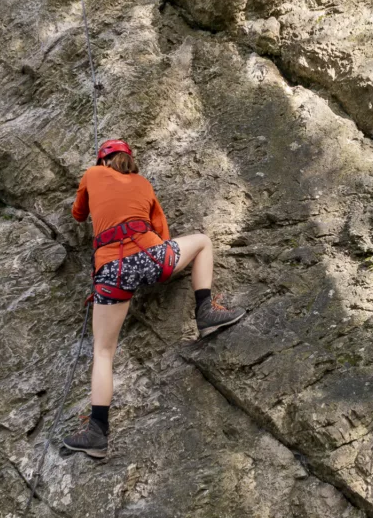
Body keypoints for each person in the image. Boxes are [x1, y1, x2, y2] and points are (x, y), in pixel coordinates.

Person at [61, 138, 244, 459]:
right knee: (202, 241)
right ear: (129, 160)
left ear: (103, 161)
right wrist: (157, 263)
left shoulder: (92, 174)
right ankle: (205, 311)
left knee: (103, 352)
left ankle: (97, 432)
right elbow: (163, 233)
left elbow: (78, 214)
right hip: (153, 258)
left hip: (113, 271)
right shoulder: (143, 183)